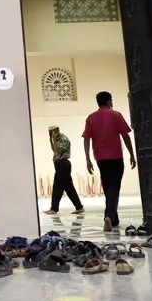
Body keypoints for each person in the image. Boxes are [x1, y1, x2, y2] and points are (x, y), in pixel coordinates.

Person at [83, 91, 136, 233]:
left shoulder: (91, 118)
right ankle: (108, 215)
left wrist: (87, 159)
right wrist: (131, 154)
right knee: (114, 187)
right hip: (116, 157)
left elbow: (86, 138)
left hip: (100, 158)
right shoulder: (116, 115)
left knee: (107, 186)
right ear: (108, 101)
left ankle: (114, 218)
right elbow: (125, 135)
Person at [45, 126, 84, 215]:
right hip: (60, 164)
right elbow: (54, 150)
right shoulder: (57, 140)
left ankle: (54, 208)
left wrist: (54, 140)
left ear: (56, 131)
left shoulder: (63, 139)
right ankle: (79, 207)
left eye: (52, 132)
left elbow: (59, 150)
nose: (51, 134)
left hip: (63, 164)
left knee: (57, 187)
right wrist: (51, 140)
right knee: (69, 187)